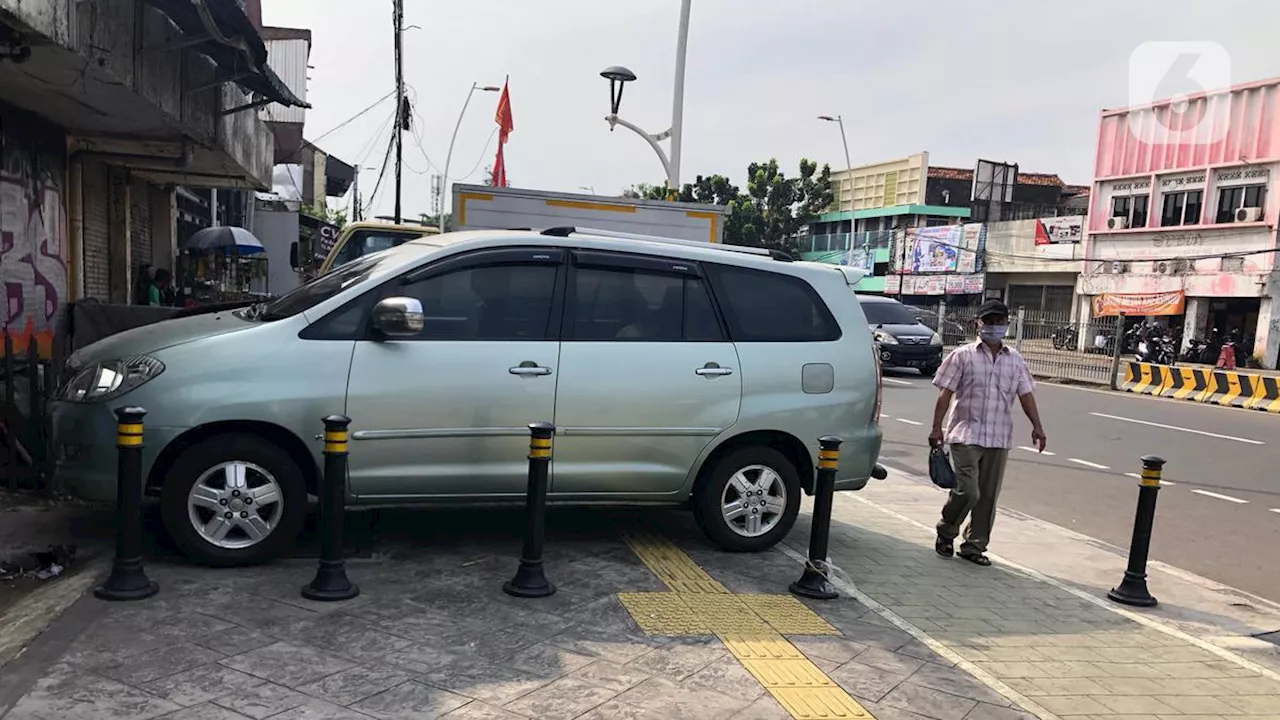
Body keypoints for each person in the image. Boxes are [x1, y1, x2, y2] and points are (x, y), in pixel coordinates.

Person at [928, 299, 1046, 566]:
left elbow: (1025, 394)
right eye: (988, 322)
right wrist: (937, 427)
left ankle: (974, 546)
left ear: (1007, 324)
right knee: (968, 491)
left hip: (999, 436)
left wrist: (1037, 426)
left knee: (988, 496)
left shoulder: (1014, 360)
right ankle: (946, 531)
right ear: (977, 324)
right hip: (965, 434)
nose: (994, 327)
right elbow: (945, 393)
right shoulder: (962, 356)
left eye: (999, 322)